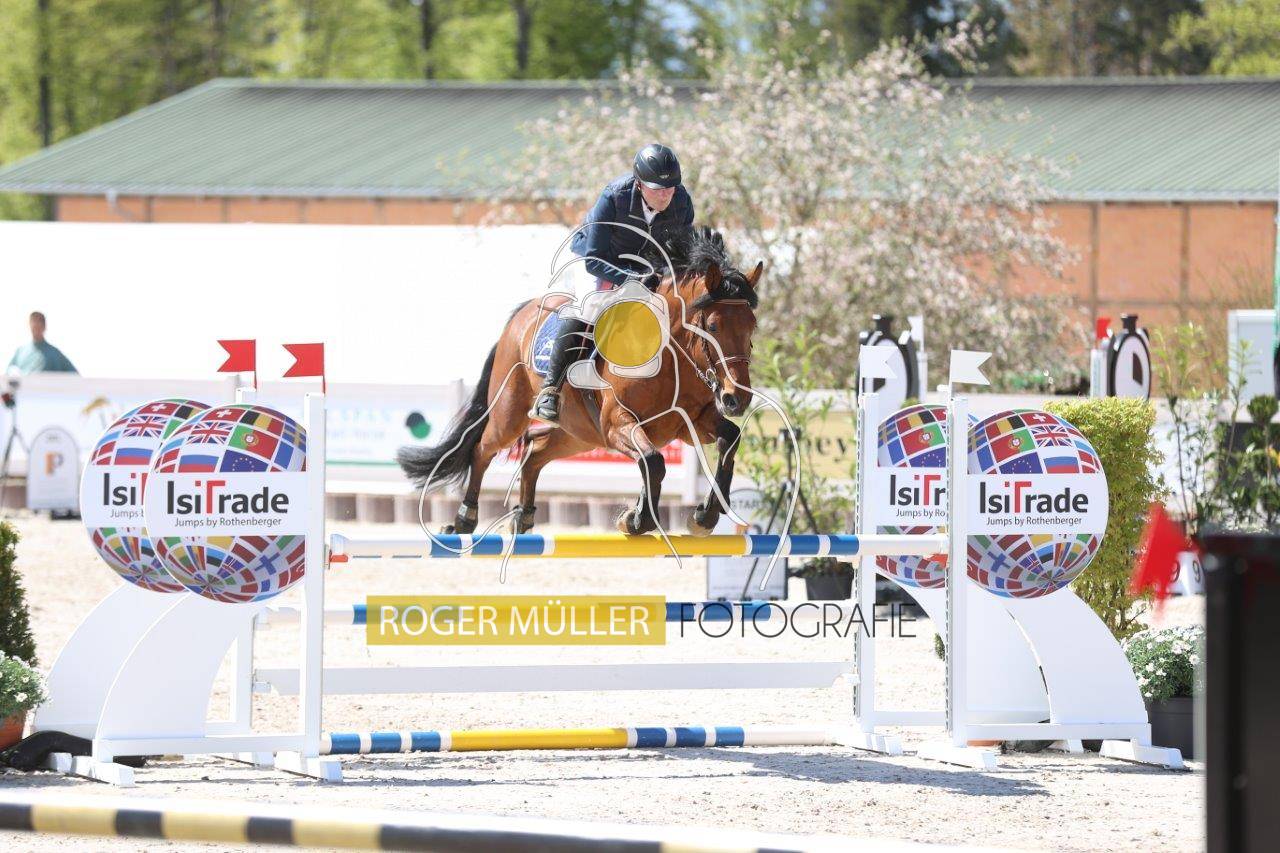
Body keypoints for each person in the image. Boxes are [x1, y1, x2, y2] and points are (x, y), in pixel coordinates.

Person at [530, 143, 695, 426]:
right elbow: (593, 260)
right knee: (588, 307)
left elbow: (682, 253)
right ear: (639, 184)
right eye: (657, 189)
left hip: (643, 266)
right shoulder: (615, 196)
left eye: (671, 188)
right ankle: (550, 390)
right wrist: (633, 279)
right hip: (595, 259)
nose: (666, 195)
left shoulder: (681, 201)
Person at [7, 312, 77, 375]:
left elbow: (74, 375)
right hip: (25, 385)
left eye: (38, 326)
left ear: (44, 327)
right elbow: (9, 373)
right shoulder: (20, 351)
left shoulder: (54, 353)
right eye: (33, 326)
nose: (35, 328)